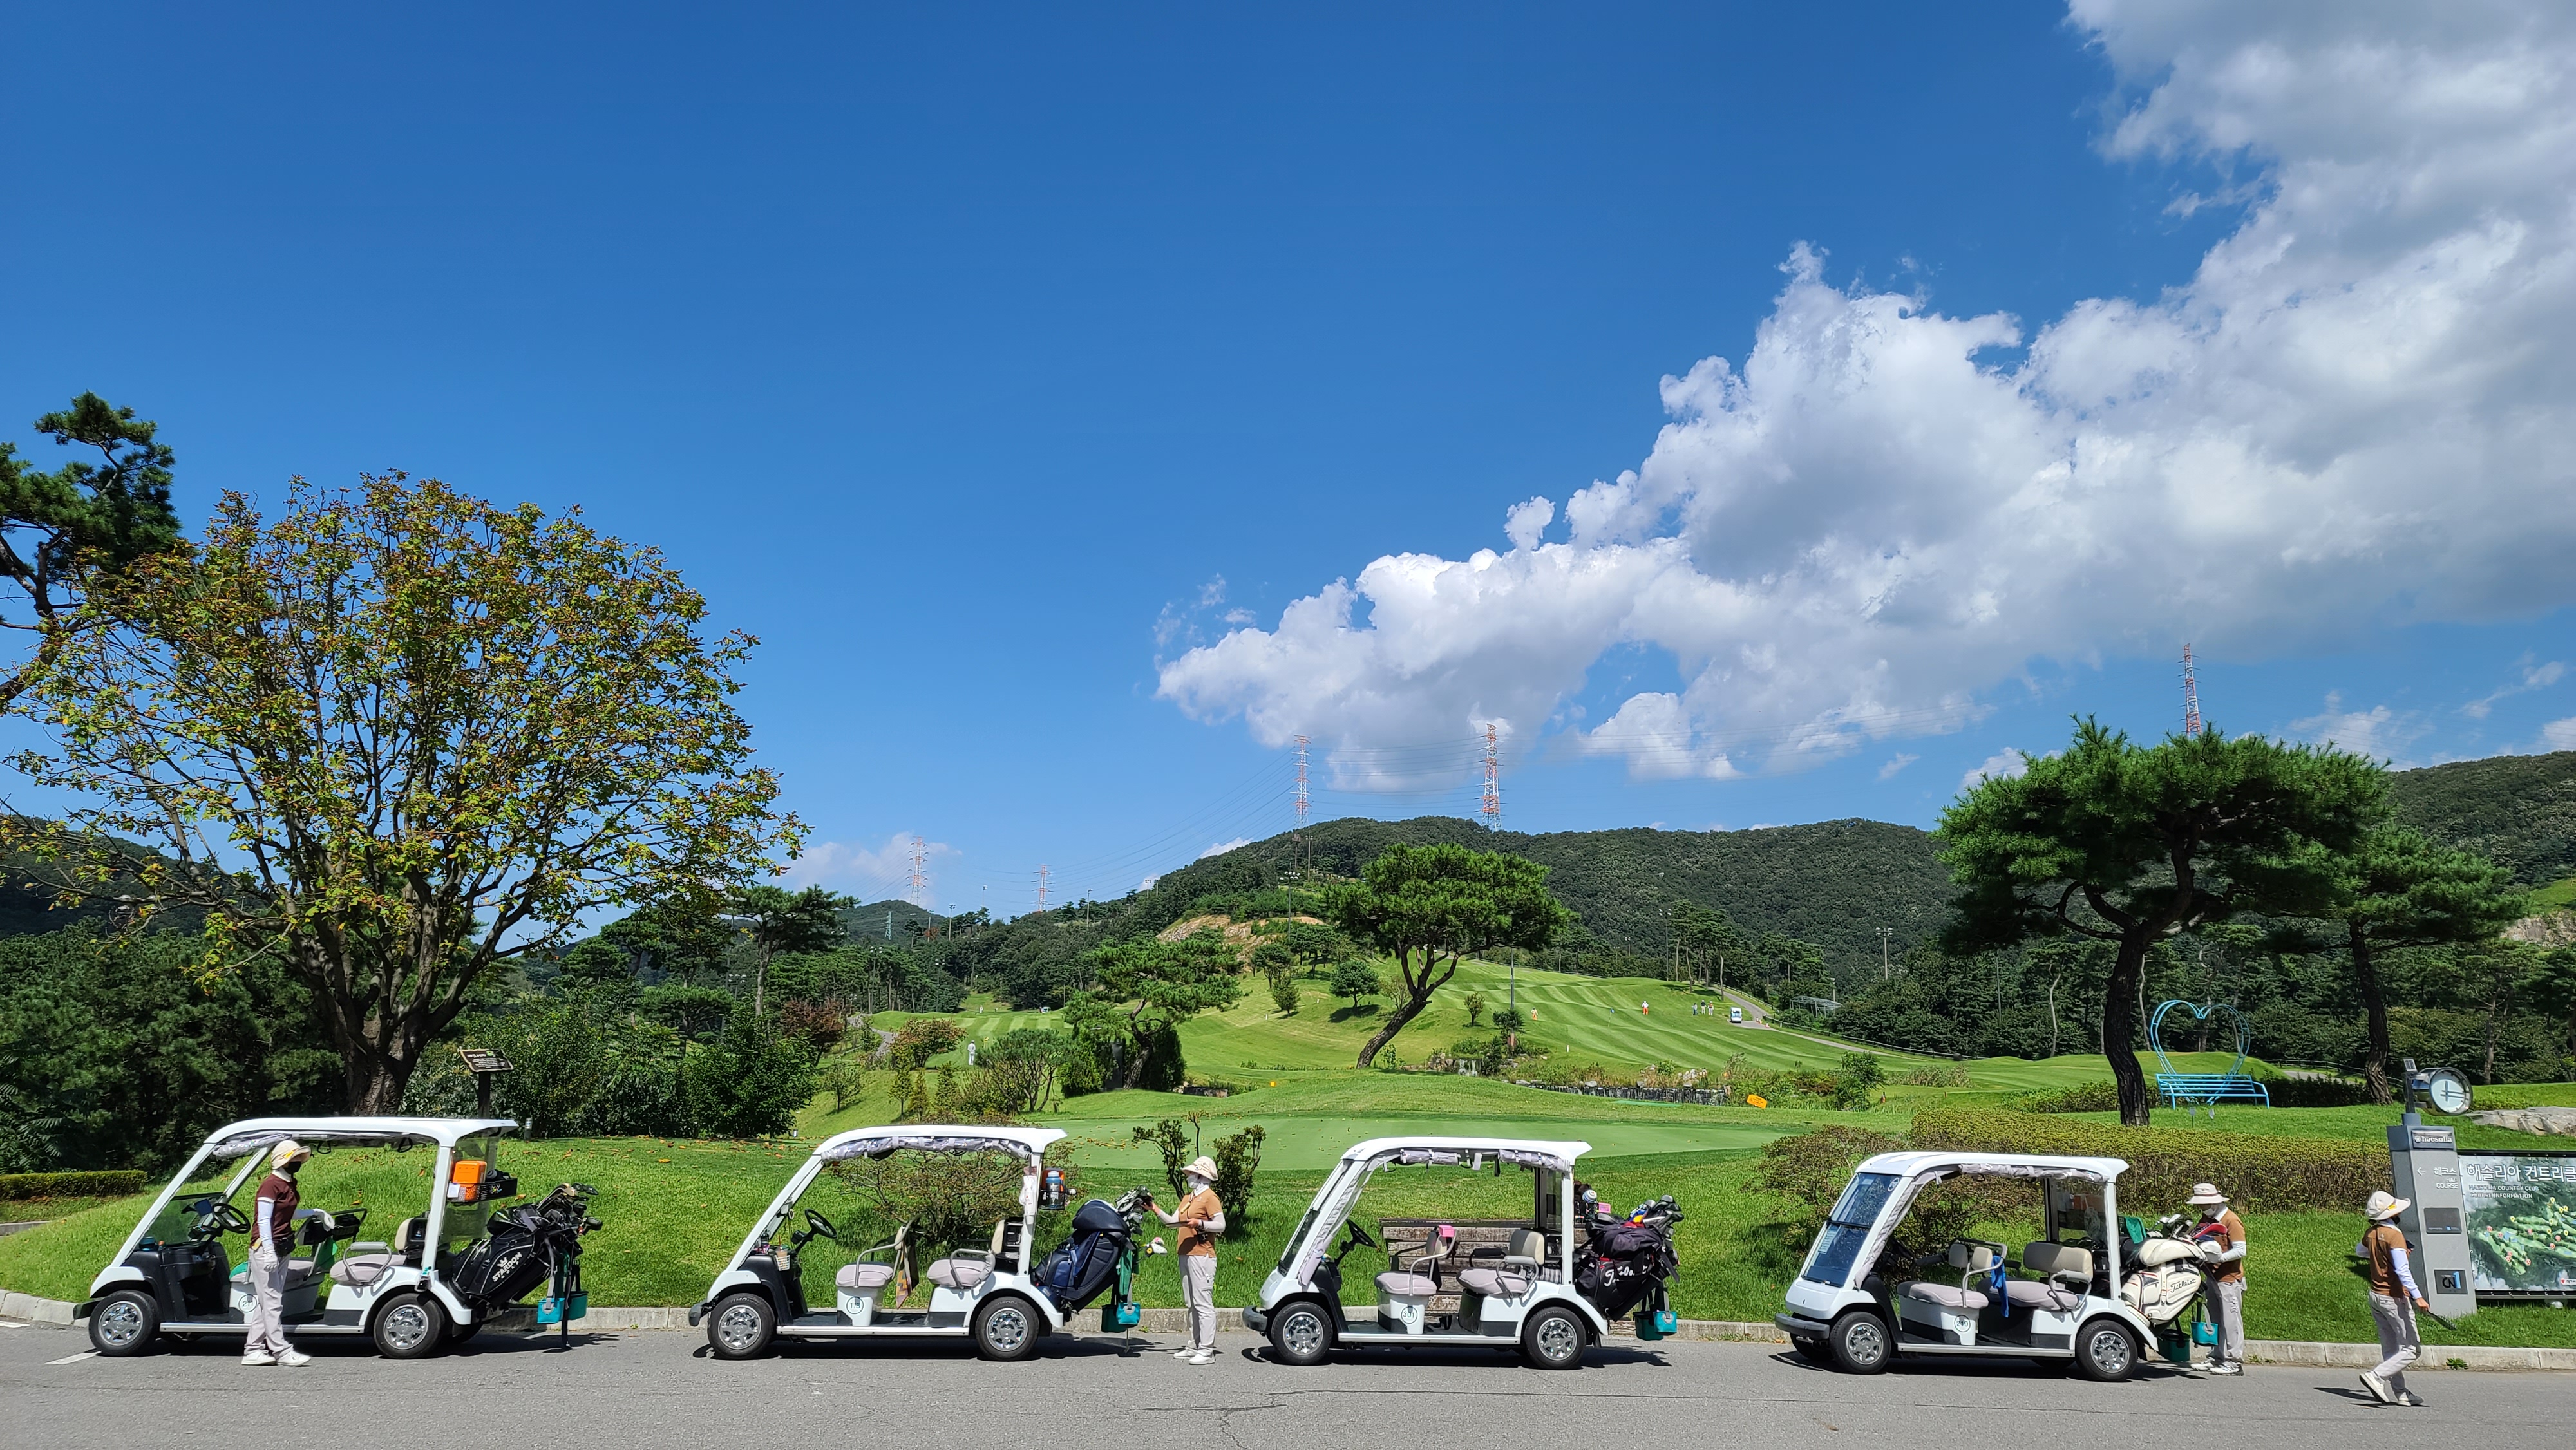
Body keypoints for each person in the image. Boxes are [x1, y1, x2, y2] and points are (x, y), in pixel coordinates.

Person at [1150, 1155, 1226, 1364]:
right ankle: (1194, 1345)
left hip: (1202, 1255)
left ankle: (1207, 1350)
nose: (1189, 1176)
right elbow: (1173, 1222)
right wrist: (1154, 1209)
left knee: (1203, 1303)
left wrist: (1200, 1224)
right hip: (1185, 1254)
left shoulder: (1210, 1198)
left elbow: (1220, 1225)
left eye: (1192, 1173)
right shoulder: (1188, 1198)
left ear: (1202, 1176)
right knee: (1191, 1303)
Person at [245, 1140, 315, 1368]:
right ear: (283, 1160)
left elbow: (285, 1215)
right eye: (293, 1159)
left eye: (298, 1159)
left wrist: (315, 1213)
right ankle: (281, 1350)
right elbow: (264, 1220)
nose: (297, 1163)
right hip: (266, 1248)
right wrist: (268, 1251)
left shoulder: (289, 1183)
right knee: (273, 1301)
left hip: (282, 1246)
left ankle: (253, 1349)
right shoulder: (271, 1185)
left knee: (267, 1301)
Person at [2358, 1190, 2430, 1406]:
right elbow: (2403, 1271)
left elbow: (2360, 1251)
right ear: (2392, 1214)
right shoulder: (2395, 1235)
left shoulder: (2371, 1233)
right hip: (2394, 1297)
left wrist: (2380, 1255)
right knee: (2411, 1348)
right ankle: (2377, 1376)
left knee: (2391, 1348)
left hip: (2375, 1296)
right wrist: (2418, 1296)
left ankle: (2401, 1393)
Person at [2186, 1182, 2247, 1375]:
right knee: (2215, 1319)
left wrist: (2220, 1258)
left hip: (2229, 1279)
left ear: (2215, 1202)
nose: (2202, 1209)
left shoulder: (2231, 1221)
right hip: (2212, 1276)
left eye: (2204, 1205)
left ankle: (2234, 1361)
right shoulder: (2207, 1219)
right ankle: (2217, 1357)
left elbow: (2240, 1250)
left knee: (2231, 1320)